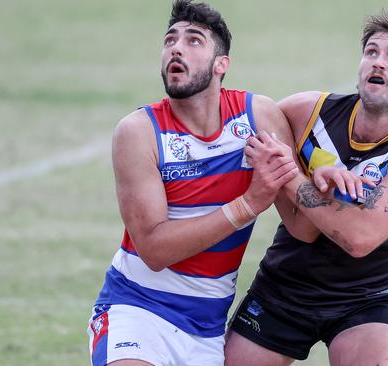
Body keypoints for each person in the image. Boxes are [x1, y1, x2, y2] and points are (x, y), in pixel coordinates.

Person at [225, 9, 388, 366]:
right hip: (285, 285)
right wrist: (316, 175)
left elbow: (359, 239)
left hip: (366, 297)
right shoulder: (306, 111)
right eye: (371, 52)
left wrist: (295, 174)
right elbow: (251, 138)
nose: (378, 62)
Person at [86, 1, 299, 365]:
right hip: (137, 311)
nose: (176, 48)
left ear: (222, 65)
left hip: (206, 330)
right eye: (170, 40)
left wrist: (319, 177)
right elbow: (154, 250)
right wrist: (248, 204)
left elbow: (301, 223)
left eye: (194, 41)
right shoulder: (139, 131)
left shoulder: (257, 116)